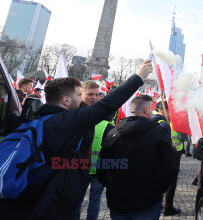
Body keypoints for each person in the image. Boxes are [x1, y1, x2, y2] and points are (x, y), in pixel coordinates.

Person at [0, 60, 152, 220]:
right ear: (66, 100)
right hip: (46, 208)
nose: (82, 100)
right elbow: (105, 106)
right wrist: (139, 76)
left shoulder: (36, 120)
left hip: (23, 203)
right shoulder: (65, 123)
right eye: (79, 95)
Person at [97, 95, 175, 220]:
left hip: (118, 199)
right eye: (151, 108)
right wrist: (162, 188)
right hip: (147, 201)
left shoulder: (112, 133)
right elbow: (169, 165)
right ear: (146, 110)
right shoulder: (159, 133)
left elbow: (102, 165)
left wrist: (110, 184)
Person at [73, 81, 114, 220]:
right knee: (92, 200)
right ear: (80, 94)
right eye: (90, 94)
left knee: (79, 200)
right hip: (86, 168)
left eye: (96, 95)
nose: (94, 97)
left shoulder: (99, 122)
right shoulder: (76, 116)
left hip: (91, 168)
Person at [155, 103, 183, 216]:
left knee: (158, 178)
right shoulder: (166, 122)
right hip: (172, 154)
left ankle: (159, 205)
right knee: (171, 181)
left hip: (161, 154)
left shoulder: (151, 118)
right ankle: (168, 207)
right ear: (166, 109)